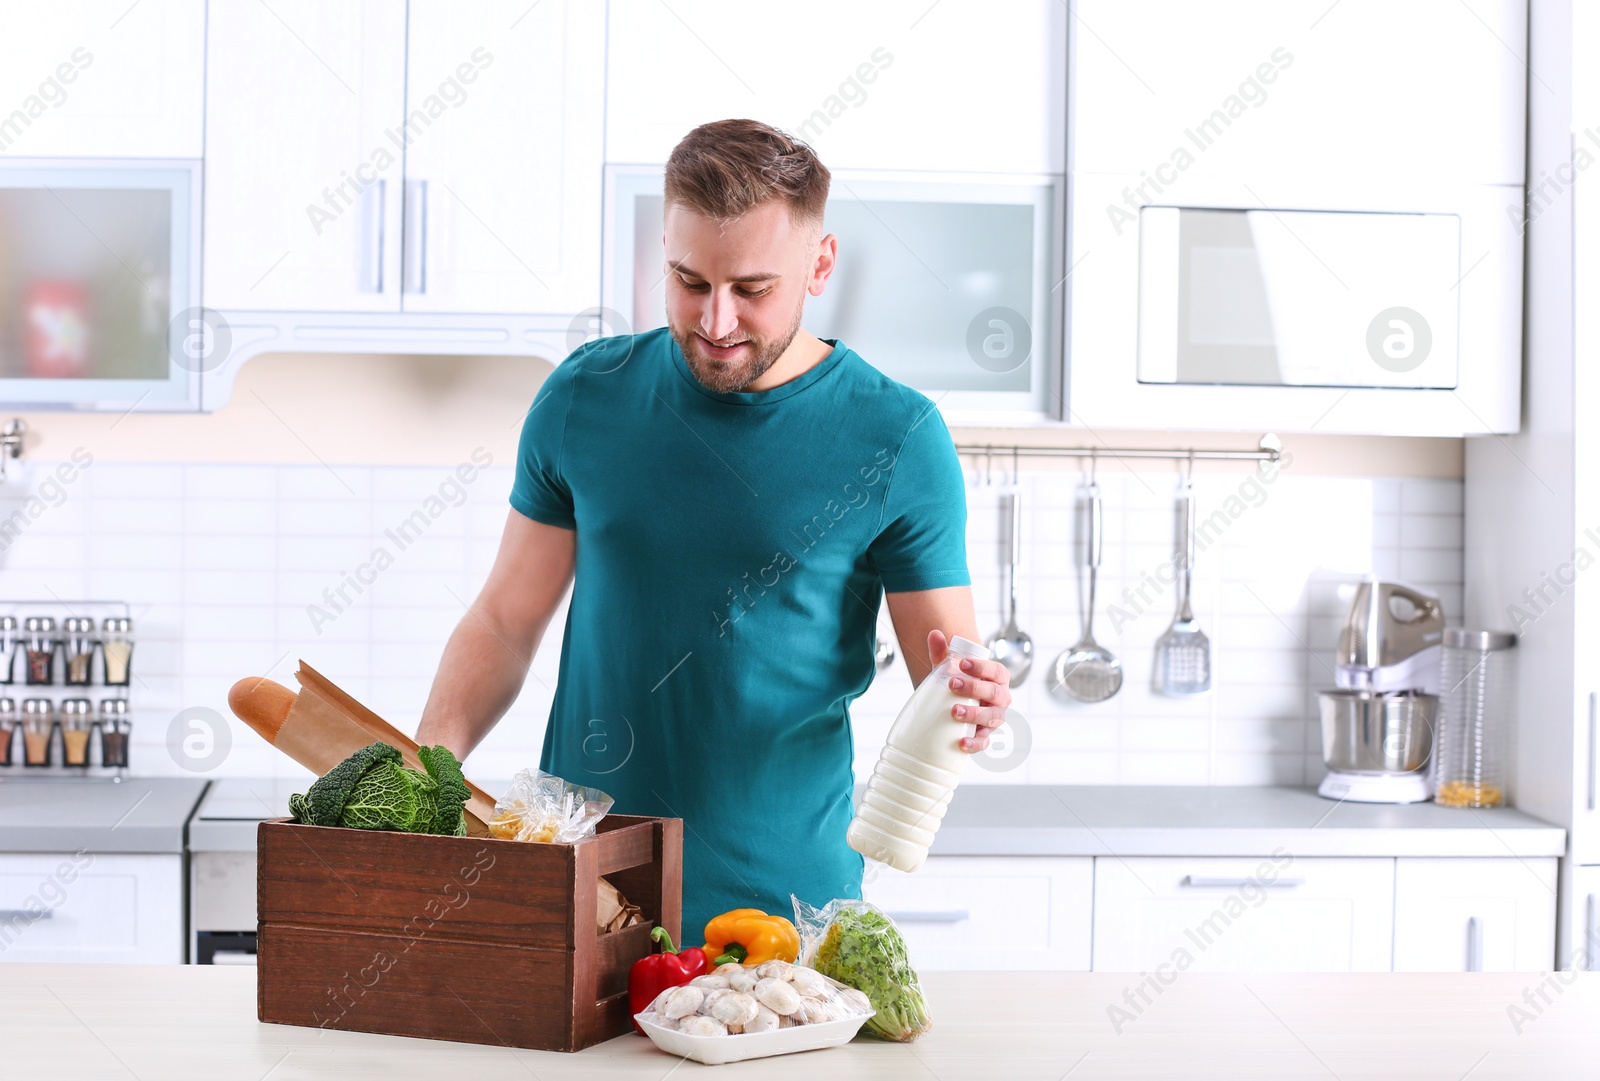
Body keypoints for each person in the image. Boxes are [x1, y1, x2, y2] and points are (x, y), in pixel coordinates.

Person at [416, 118, 1013, 937]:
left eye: (753, 289)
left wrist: (973, 697)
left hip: (785, 916)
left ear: (821, 264)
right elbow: (504, 619)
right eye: (689, 280)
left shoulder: (898, 437)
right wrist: (428, 769)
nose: (717, 320)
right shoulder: (585, 397)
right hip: (589, 896)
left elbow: (945, 672)